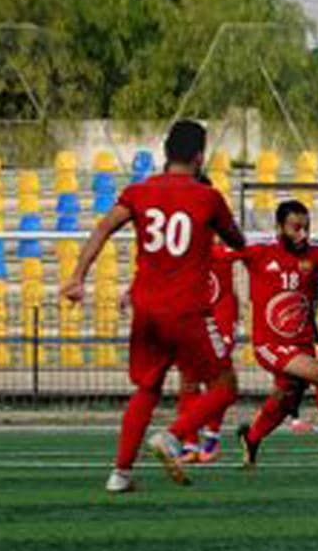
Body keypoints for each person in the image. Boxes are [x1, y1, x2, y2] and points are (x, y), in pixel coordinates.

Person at [61, 120, 246, 493]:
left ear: (165, 153)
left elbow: (102, 228)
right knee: (225, 386)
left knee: (147, 388)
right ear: (199, 156)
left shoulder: (138, 192)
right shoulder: (207, 198)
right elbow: (236, 240)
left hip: (146, 310)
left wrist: (77, 276)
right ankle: (174, 436)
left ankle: (120, 474)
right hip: (188, 310)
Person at [231, 200, 318, 469]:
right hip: (269, 343)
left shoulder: (316, 252)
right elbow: (218, 255)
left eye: (306, 228)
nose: (303, 235)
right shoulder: (260, 251)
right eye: (296, 228)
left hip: (301, 343)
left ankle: (250, 438)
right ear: (280, 228)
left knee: (286, 398)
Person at [175, 241, 239, 465]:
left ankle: (212, 439)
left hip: (219, 321)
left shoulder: (222, 251)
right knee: (188, 382)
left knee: (218, 381)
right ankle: (190, 444)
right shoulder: (179, 252)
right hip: (190, 319)